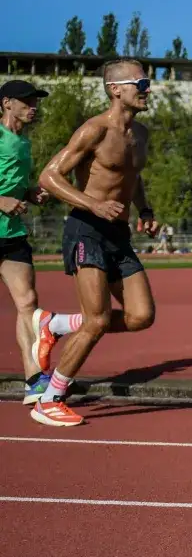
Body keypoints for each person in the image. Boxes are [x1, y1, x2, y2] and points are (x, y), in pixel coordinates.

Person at [34, 59, 160, 427]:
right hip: (86, 228)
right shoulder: (95, 130)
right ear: (115, 89)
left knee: (141, 316)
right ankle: (51, 398)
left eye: (147, 81)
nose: (147, 89)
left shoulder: (142, 134)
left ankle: (56, 325)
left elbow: (132, 177)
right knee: (97, 321)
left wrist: (145, 208)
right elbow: (48, 176)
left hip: (118, 234)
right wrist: (94, 203)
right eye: (141, 82)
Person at [0, 80, 84, 406]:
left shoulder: (22, 143)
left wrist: (29, 194)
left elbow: (12, 186)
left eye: (35, 101)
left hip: (11, 236)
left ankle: (34, 378)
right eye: (26, 101)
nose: (33, 106)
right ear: (7, 103)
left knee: (28, 304)